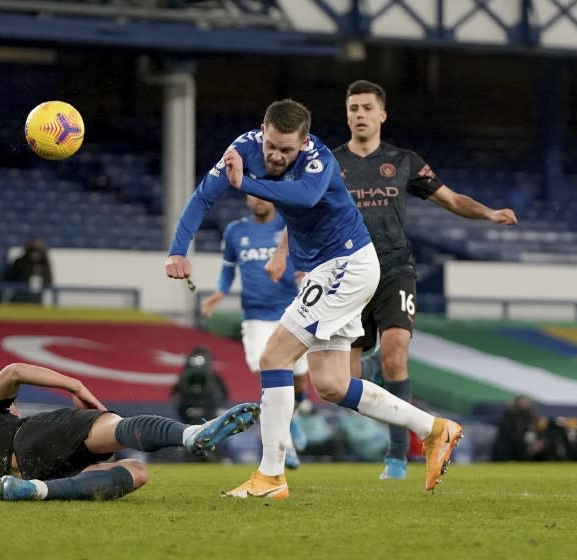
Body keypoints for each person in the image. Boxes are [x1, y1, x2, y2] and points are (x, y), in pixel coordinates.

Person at [164, 99, 463, 498]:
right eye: (272, 145)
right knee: (333, 384)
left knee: (274, 357)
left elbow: (303, 197)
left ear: (303, 142)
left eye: (287, 149)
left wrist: (245, 184)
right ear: (263, 130)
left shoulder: (318, 159)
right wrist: (178, 250)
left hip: (347, 264)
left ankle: (270, 477)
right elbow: (203, 196)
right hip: (329, 270)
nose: (276, 155)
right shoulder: (243, 149)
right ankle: (435, 430)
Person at [330, 80, 517, 479]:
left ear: (382, 115)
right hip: (348, 277)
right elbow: (306, 213)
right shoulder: (330, 164)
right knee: (345, 386)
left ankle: (397, 457)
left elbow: (450, 200)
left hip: (395, 270)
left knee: (396, 355)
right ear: (346, 115)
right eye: (353, 108)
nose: (359, 114)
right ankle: (375, 366)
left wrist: (488, 213)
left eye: (366, 108)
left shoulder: (403, 161)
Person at [0, 362, 261, 501]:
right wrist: (76, 386)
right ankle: (189, 434)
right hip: (25, 441)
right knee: (114, 426)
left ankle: (33, 491)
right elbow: (14, 372)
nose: (15, 408)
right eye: (12, 405)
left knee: (137, 469)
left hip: (31, 473)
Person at [200, 194, 309, 469]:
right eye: (253, 194)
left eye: (264, 195)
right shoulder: (236, 231)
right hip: (256, 317)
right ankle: (287, 444)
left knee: (299, 383)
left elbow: (307, 254)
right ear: (246, 198)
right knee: (271, 374)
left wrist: (304, 273)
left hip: (291, 313)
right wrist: (218, 294)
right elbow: (228, 269)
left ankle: (290, 419)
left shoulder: (288, 226)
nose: (259, 200)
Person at [6, 237, 53, 303]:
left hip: (36, 298)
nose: (35, 253)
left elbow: (49, 279)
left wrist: (40, 283)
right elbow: (10, 277)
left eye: (37, 249)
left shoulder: (44, 263)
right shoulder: (20, 261)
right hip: (20, 297)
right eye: (33, 249)